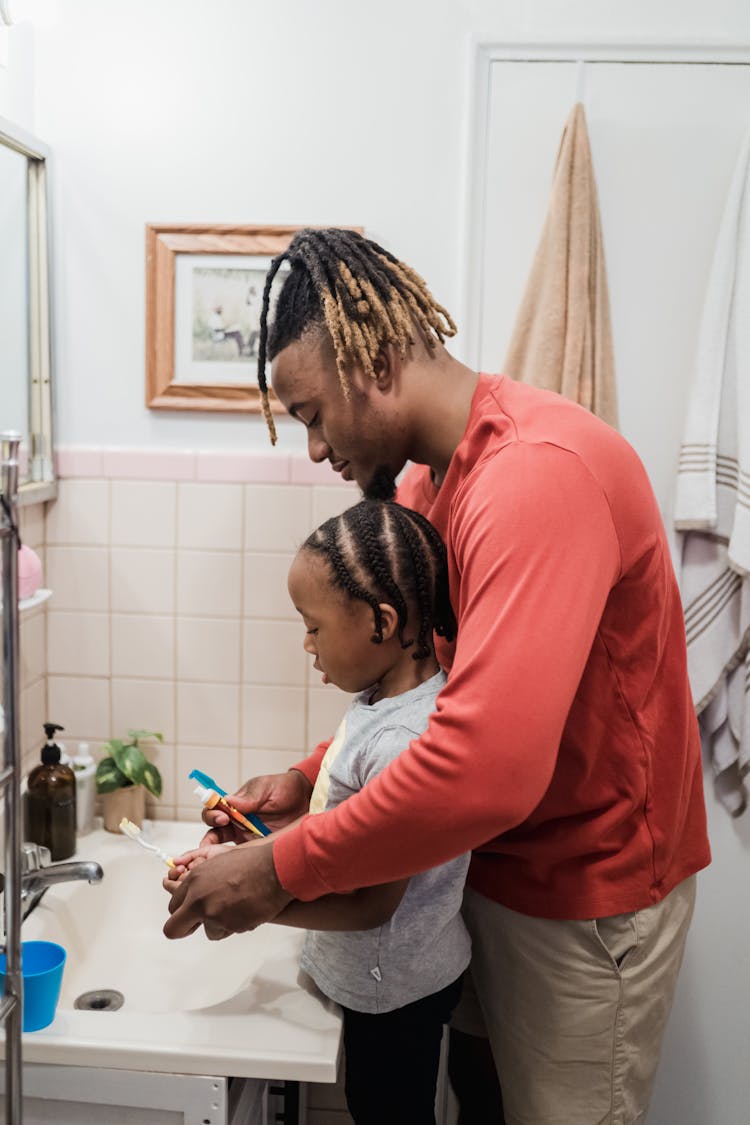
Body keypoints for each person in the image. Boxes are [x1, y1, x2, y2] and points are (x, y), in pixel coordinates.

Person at [164, 228, 712, 1125]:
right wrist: (308, 777)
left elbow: (483, 764)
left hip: (584, 901)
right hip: (478, 878)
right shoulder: (427, 486)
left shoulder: (535, 479)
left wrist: (280, 870)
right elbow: (429, 691)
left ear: (375, 361)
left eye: (310, 415)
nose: (311, 449)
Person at [167, 499, 469, 1125]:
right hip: (385, 978)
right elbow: (347, 828)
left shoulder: (404, 743)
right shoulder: (384, 699)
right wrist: (248, 850)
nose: (305, 643)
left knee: (386, 1111)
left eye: (313, 625)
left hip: (396, 993)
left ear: (381, 623)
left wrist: (251, 896)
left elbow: (372, 903)